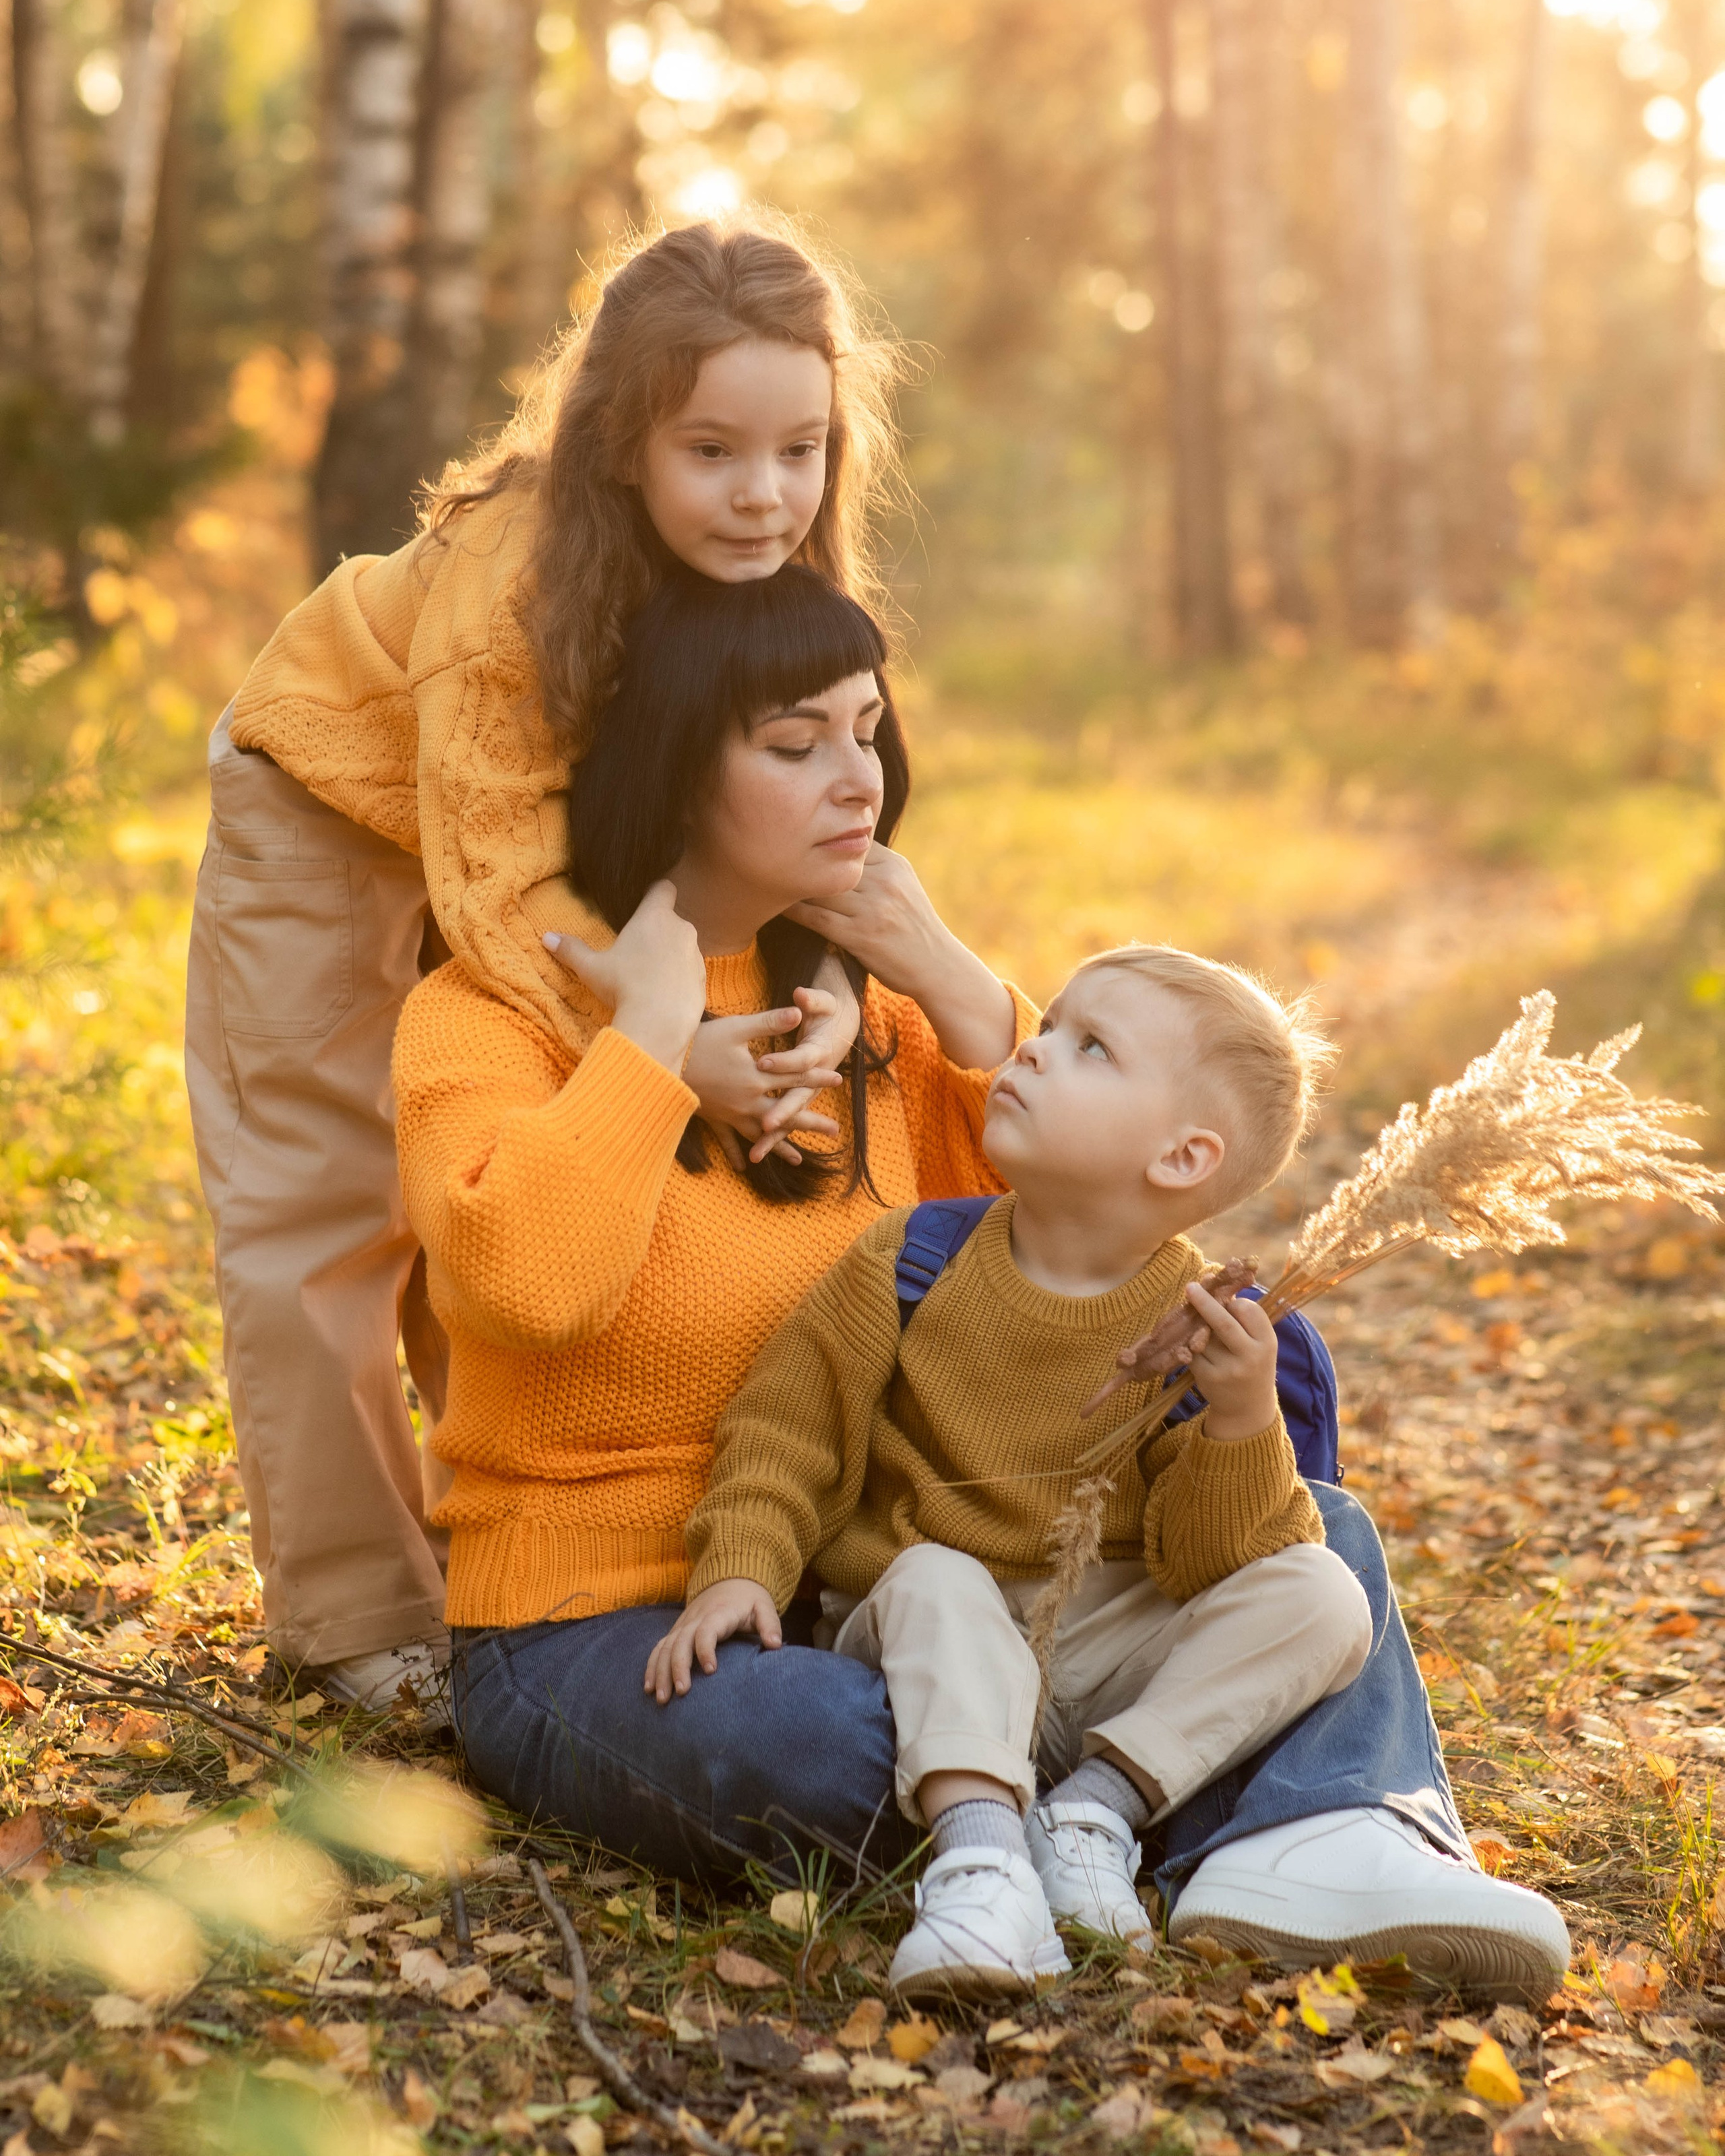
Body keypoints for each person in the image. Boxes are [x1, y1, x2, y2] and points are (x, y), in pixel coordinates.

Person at [429, 562, 1570, 2000]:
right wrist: (648, 1043)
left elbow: (1080, 1212)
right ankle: (1182, 1812)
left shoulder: (874, 1019)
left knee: (1315, 1538)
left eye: (868, 729)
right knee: (846, 1741)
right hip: (617, 1617)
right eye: (796, 744)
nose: (859, 778)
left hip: (989, 1601)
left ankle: (1294, 1836)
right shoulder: (495, 1010)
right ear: (673, 761)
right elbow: (524, 1289)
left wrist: (947, 978)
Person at [185, 216, 900, 1704]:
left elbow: (815, 804)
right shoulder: (510, 585)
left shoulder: (775, 552)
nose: (764, 495)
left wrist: (826, 991)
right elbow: (506, 891)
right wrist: (659, 1051)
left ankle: (507, 1547)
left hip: (529, 822)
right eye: (712, 452)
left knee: (521, 1157)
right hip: (331, 797)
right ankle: (358, 1613)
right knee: (332, 1200)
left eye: (801, 450)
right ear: (619, 439)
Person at [649, 947, 1376, 1999]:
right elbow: (785, 1431)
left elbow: (1214, 1565)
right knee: (938, 1575)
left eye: (1092, 1048)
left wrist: (1239, 1415)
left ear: (1182, 1158)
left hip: (1099, 1646)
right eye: (1050, 1027)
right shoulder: (914, 1261)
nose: (1032, 1049)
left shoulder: (1199, 1330)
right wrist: (740, 1568)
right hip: (930, 1630)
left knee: (1321, 1592)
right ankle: (982, 1865)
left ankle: (1092, 1815)